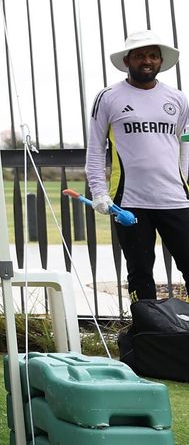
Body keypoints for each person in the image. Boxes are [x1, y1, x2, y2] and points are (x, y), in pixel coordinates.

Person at [85, 30, 189, 302]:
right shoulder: (108, 97)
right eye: (140, 55)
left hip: (175, 199)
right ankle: (146, 336)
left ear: (160, 61)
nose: (147, 61)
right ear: (127, 61)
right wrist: (99, 192)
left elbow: (184, 144)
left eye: (153, 56)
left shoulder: (177, 99)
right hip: (130, 201)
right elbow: (96, 149)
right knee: (140, 273)